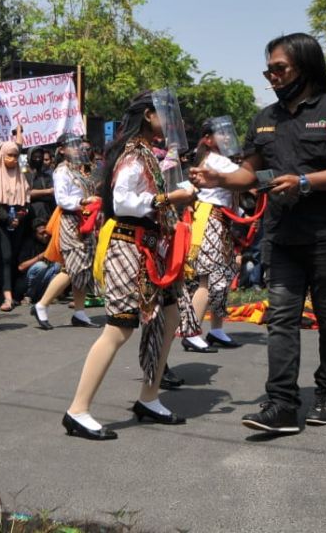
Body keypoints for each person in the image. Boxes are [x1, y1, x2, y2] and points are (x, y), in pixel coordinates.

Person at [191, 33, 326, 434]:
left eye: (279, 68)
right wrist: (218, 177)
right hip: (282, 236)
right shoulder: (264, 118)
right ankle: (282, 404)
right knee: (282, 320)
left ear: (305, 67)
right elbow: (248, 173)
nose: (272, 76)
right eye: (268, 70)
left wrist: (306, 182)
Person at [62, 91, 197, 441]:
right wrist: (170, 198)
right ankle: (77, 410)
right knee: (119, 328)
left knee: (169, 318)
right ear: (148, 115)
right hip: (129, 247)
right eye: (165, 114)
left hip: (151, 247)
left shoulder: (147, 152)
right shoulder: (134, 153)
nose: (172, 122)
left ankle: (149, 397)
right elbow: (123, 202)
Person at [182, 117, 246, 353]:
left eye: (228, 132)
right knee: (209, 279)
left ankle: (216, 330)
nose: (227, 137)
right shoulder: (217, 161)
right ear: (208, 139)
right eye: (222, 133)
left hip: (221, 220)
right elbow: (246, 179)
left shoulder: (219, 159)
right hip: (212, 220)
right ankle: (191, 331)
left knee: (222, 276)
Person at [30, 133, 100, 330]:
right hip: (71, 221)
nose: (78, 149)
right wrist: (84, 201)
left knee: (83, 267)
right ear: (61, 150)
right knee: (73, 267)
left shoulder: (79, 169)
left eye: (79, 145)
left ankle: (79, 312)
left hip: (85, 219)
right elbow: (61, 200)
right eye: (72, 145)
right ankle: (41, 304)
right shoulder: (62, 171)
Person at [0, 140, 31, 311]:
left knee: (14, 256)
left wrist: (18, 217)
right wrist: (7, 219)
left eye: (16, 156)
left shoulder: (21, 176)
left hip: (17, 222)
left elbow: (26, 200)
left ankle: (10, 292)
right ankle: (6, 296)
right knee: (5, 256)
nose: (13, 159)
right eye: (9, 155)